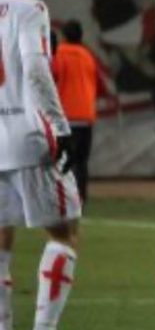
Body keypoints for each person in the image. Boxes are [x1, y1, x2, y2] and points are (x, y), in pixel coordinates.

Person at [0, 0, 86, 330]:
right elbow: (35, 69)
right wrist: (59, 125)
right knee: (64, 233)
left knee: (0, 241)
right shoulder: (28, 10)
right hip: (28, 136)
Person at [50, 19, 103, 206]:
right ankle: (81, 198)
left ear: (63, 35)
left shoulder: (58, 54)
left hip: (64, 117)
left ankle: (62, 197)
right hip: (86, 116)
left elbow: (48, 80)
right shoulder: (88, 56)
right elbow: (99, 85)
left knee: (61, 161)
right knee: (81, 161)